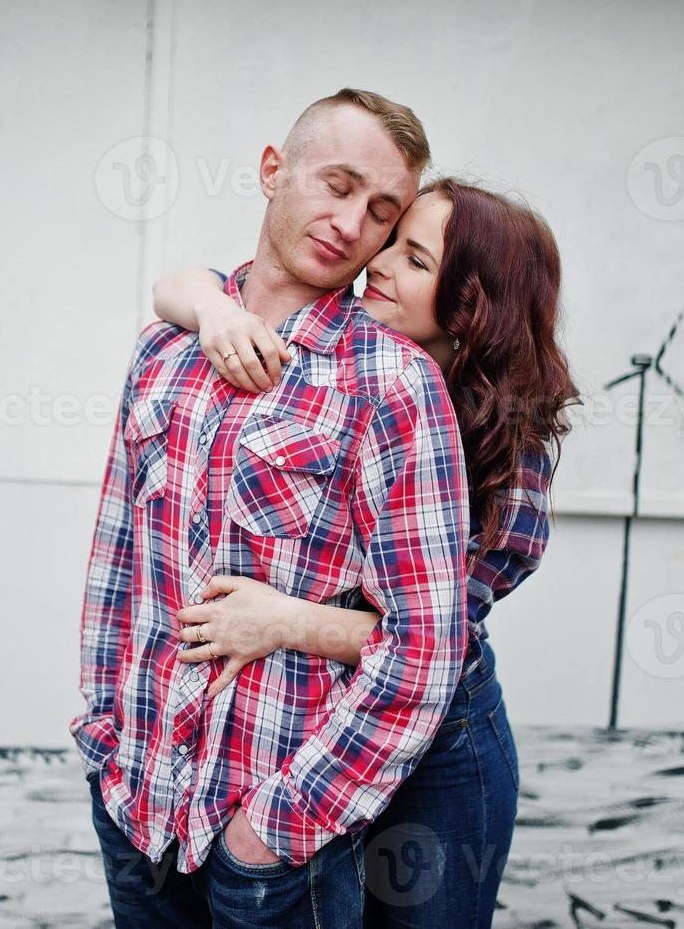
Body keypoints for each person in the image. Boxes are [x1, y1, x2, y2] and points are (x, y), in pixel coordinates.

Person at [68, 88, 471, 928]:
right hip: (138, 804)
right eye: (337, 183)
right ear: (271, 170)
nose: (351, 220)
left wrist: (277, 826)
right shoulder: (164, 350)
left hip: (272, 840)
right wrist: (106, 747)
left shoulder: (392, 383)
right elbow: (116, 569)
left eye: (380, 211)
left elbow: (425, 646)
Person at [152, 176, 579, 927]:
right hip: (320, 726)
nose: (376, 262)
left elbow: (432, 640)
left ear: (472, 302)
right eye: (393, 242)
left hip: (438, 743)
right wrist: (218, 311)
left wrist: (284, 620)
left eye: (413, 259)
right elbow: (182, 286)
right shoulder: (337, 357)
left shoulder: (505, 444)